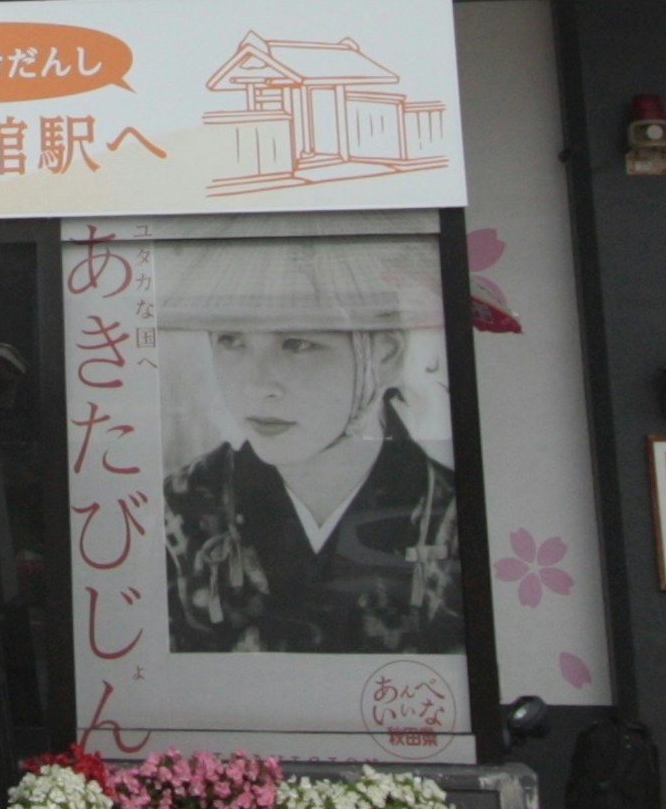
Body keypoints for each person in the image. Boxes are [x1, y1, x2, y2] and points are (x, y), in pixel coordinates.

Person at [160, 237, 463, 654]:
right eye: (231, 340)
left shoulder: (450, 514)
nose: (257, 385)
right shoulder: (178, 508)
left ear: (385, 355)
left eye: (297, 344)